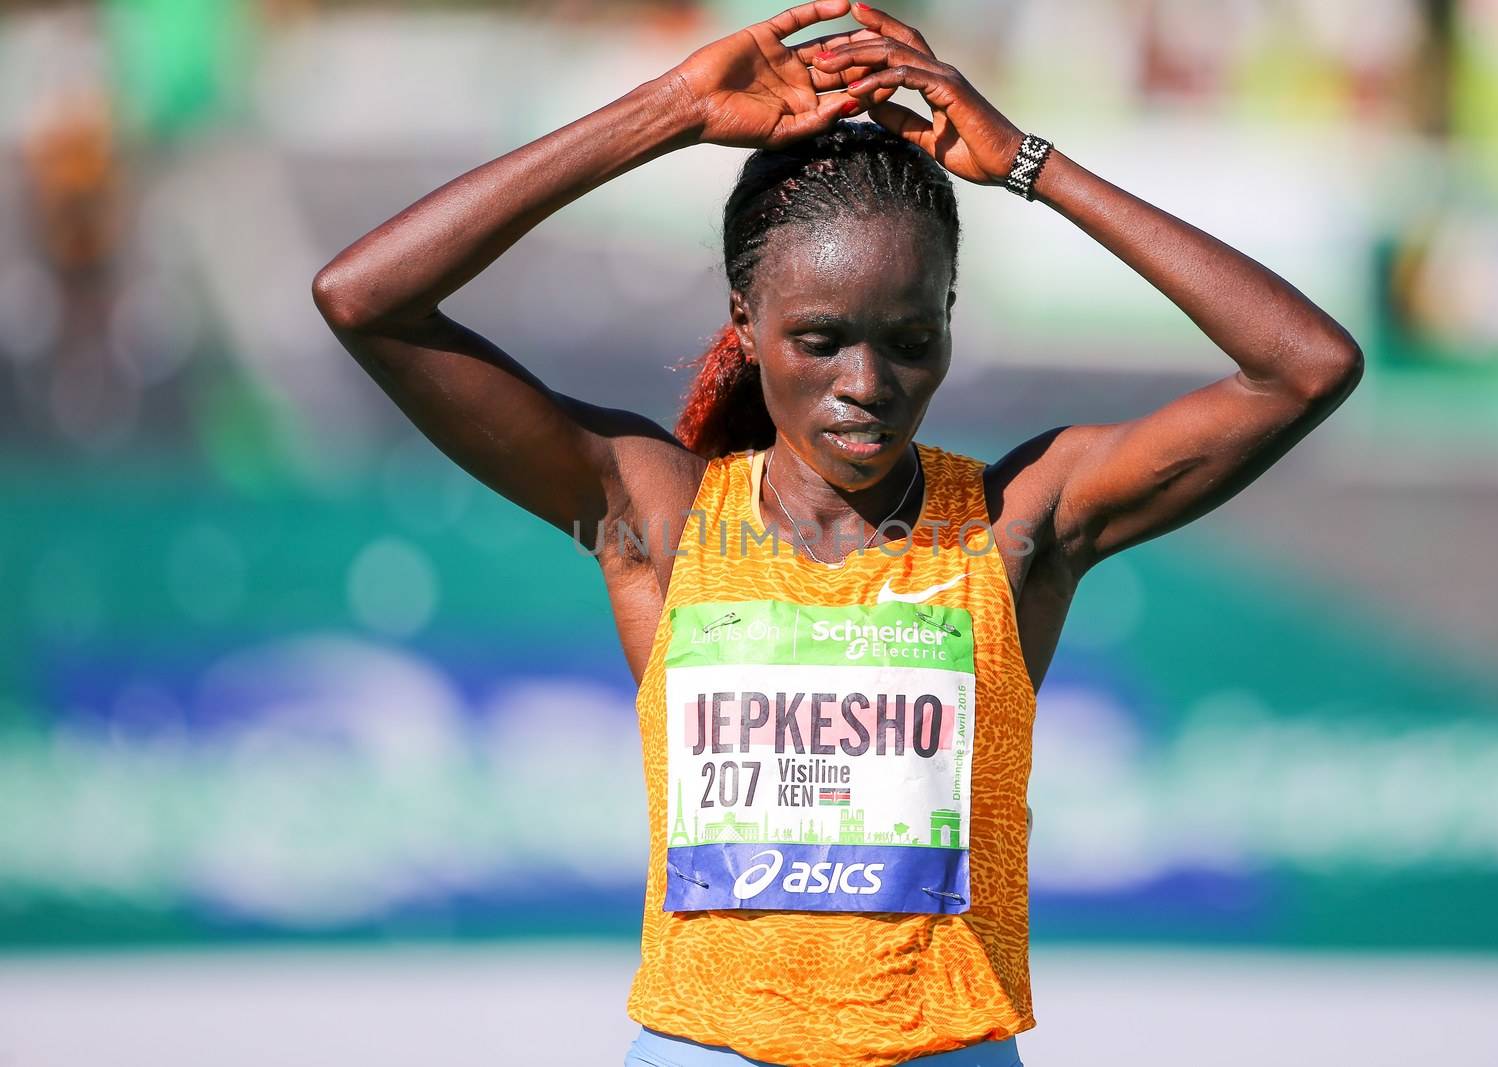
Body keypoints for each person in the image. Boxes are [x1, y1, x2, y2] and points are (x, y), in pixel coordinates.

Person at [310, 2, 1363, 1064]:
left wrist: (1031, 164)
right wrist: (670, 109)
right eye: (817, 338)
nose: (865, 385)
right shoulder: (659, 520)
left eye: (910, 338)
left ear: (951, 315)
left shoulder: (1013, 527)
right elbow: (367, 298)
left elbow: (1304, 366)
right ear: (744, 322)